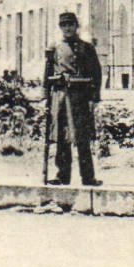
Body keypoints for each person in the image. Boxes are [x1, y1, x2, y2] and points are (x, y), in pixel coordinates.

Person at [44, 11, 103, 187]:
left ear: (76, 26)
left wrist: (94, 97)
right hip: (60, 97)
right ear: (60, 28)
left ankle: (88, 177)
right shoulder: (54, 48)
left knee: (82, 138)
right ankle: (63, 176)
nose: (68, 28)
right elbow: (47, 73)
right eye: (64, 25)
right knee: (62, 139)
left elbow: (96, 73)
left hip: (80, 98)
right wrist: (45, 96)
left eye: (71, 24)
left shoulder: (86, 47)